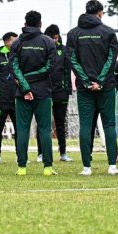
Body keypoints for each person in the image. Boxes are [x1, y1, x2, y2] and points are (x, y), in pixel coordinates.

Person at [67, 0, 118, 176]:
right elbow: (112, 59)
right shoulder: (108, 32)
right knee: (109, 125)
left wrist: (86, 81)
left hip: (84, 89)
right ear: (100, 13)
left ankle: (86, 167)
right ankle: (112, 166)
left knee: (85, 125)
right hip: (106, 87)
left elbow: (72, 60)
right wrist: (101, 81)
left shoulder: (73, 34)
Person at [11, 11, 58, 176]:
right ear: (40, 23)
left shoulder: (17, 43)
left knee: (22, 129)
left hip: (22, 92)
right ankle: (47, 167)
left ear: (25, 23)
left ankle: (22, 168)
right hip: (43, 91)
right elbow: (50, 67)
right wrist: (31, 82)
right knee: (45, 129)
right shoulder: (48, 42)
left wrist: (25, 84)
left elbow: (14, 67)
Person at [45, 24, 73, 162]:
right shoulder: (42, 49)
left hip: (61, 92)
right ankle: (41, 153)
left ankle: (63, 153)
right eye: (52, 38)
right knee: (43, 123)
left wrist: (68, 89)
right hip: (44, 92)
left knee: (61, 123)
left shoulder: (64, 50)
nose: (54, 41)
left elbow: (67, 71)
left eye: (56, 38)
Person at [0, 32, 18, 165]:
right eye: (14, 41)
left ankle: (20, 155)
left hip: (16, 99)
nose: (17, 42)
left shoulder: (18, 55)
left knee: (19, 128)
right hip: (1, 100)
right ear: (7, 42)